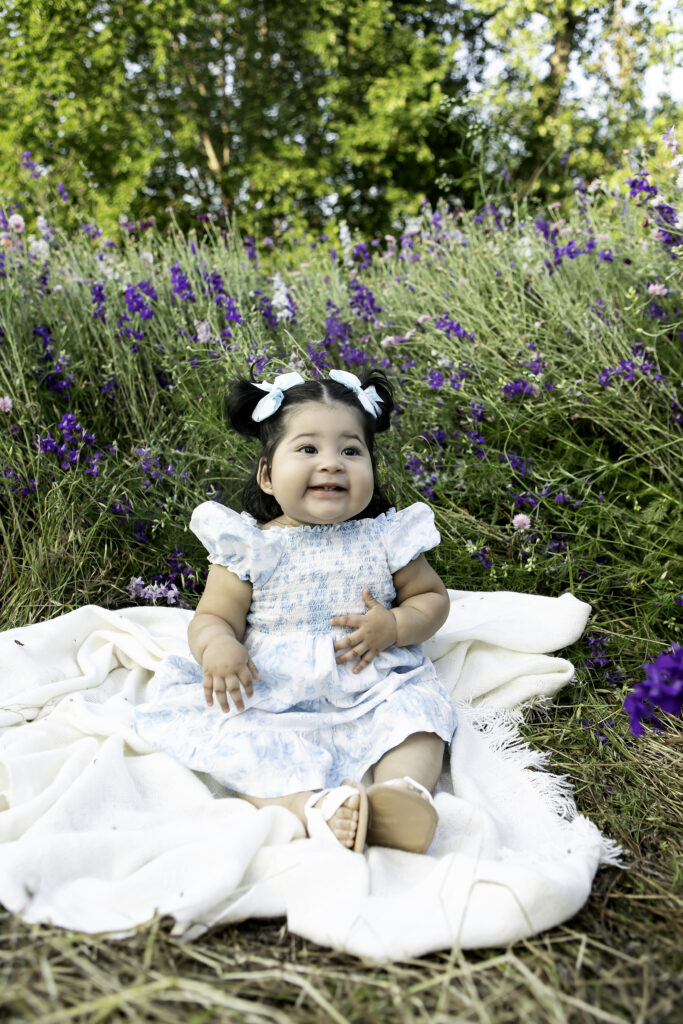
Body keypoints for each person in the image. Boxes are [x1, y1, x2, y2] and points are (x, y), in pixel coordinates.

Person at [134, 368, 457, 854]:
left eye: (350, 450)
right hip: (273, 690)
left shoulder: (386, 537)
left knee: (419, 716)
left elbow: (430, 600)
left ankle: (400, 794)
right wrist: (219, 645)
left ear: (371, 465)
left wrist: (395, 625)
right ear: (267, 474)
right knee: (238, 741)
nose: (331, 464)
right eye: (308, 449)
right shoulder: (251, 547)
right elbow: (213, 617)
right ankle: (310, 808)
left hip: (368, 681)